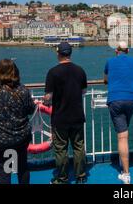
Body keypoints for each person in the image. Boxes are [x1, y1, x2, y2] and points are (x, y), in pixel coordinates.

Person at [0, 59, 34, 184]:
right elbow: (31, 109)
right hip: (20, 138)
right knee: (22, 168)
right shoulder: (22, 90)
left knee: (4, 173)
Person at [44, 42, 87, 184]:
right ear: (70, 54)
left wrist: (44, 102)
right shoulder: (80, 70)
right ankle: (81, 175)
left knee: (61, 149)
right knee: (78, 146)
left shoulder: (52, 72)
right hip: (77, 116)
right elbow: (83, 92)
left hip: (60, 117)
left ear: (59, 54)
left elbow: (48, 96)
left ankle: (62, 178)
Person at [104, 41, 133, 184]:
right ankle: (124, 162)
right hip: (131, 99)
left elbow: (105, 79)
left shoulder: (110, 61)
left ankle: (126, 173)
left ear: (116, 51)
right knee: (124, 133)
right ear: (128, 50)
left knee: (122, 137)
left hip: (116, 100)